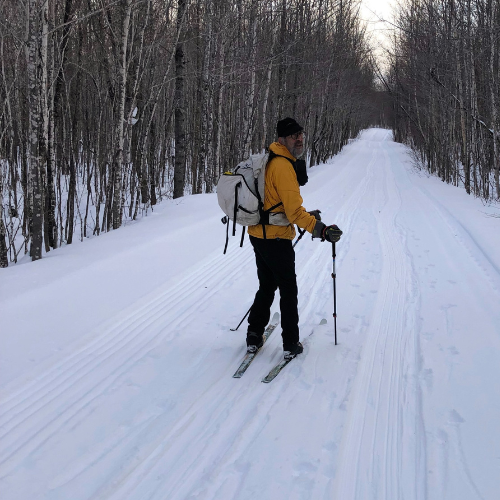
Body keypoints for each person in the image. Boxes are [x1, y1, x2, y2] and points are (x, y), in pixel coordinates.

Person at [246, 117, 343, 359]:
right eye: (293, 136)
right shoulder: (282, 166)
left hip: (258, 234)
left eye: (300, 134)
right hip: (276, 238)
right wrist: (320, 228)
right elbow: (293, 212)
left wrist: (305, 216)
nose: (299, 139)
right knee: (288, 289)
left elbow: (274, 203)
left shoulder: (269, 159)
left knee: (267, 285)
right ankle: (291, 343)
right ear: (282, 139)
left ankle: (254, 336)